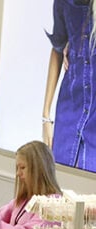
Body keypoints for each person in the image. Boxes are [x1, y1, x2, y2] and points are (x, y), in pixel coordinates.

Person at [42, 1, 96, 171]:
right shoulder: (62, 2)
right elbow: (57, 48)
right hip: (69, 112)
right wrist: (45, 117)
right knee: (59, 187)